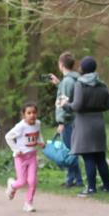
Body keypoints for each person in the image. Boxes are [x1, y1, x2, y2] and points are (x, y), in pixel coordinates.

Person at [69, 55, 109, 196]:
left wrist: (65, 105)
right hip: (98, 122)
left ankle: (91, 188)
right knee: (100, 156)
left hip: (84, 123)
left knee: (88, 157)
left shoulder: (80, 84)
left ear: (83, 68)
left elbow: (77, 105)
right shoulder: (102, 84)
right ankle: (107, 186)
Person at [48, 52, 83, 188]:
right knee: (71, 150)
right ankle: (76, 179)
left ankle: (73, 180)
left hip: (69, 121)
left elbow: (65, 101)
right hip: (74, 119)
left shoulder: (67, 81)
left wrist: (62, 122)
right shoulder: (72, 80)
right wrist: (58, 84)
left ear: (61, 64)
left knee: (69, 151)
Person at [4, 102, 45, 213]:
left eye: (34, 113)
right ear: (23, 115)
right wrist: (16, 150)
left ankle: (28, 203)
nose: (32, 115)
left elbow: (38, 133)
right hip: (21, 157)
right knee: (22, 182)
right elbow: (8, 137)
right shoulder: (20, 126)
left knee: (32, 181)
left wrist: (41, 141)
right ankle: (12, 185)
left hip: (32, 156)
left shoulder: (37, 123)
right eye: (29, 113)